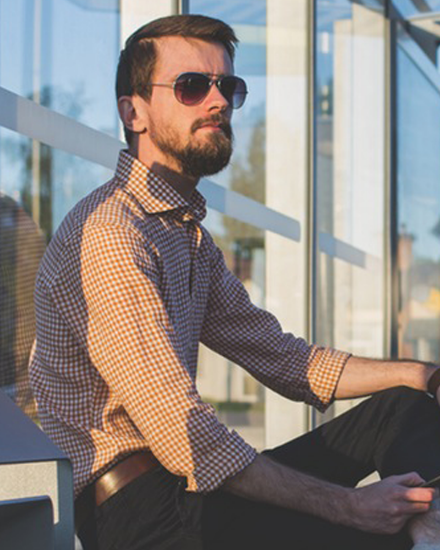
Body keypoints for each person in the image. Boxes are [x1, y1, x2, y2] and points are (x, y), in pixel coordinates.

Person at [29, 14, 440, 550]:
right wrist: (349, 507)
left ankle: (426, 531)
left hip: (195, 496)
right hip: (144, 519)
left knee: (405, 408)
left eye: (229, 86)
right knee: (375, 531)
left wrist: (426, 375)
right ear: (135, 112)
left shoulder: (184, 235)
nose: (217, 101)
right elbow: (184, 431)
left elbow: (283, 359)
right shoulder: (113, 232)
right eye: (192, 87)